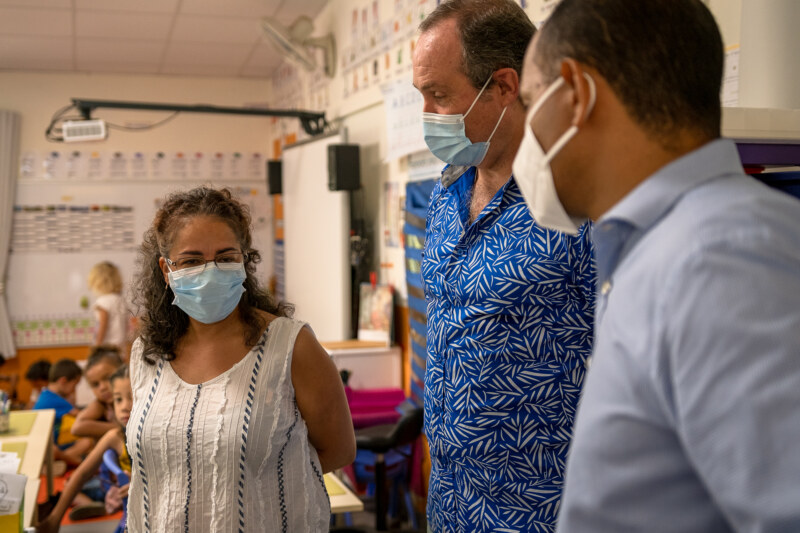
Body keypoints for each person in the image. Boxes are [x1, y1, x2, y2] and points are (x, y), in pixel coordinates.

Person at [513, 1, 800, 531]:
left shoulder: (717, 261)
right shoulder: (656, 248)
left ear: (576, 93)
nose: (524, 140)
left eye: (531, 102)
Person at [412, 1, 595, 531]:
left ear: (504, 86)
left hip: (540, 509)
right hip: (450, 502)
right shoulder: (448, 190)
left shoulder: (574, 201)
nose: (428, 113)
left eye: (440, 95)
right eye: (421, 96)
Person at [127, 186, 355, 532]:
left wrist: (252, 486)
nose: (210, 272)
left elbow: (337, 450)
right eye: (191, 261)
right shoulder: (147, 353)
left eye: (225, 257)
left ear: (244, 261)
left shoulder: (292, 347)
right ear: (166, 269)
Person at [37, 364, 132, 533]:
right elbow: (81, 473)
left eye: (132, 397)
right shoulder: (115, 436)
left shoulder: (157, 437)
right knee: (71, 481)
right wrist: (54, 519)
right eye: (118, 399)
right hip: (127, 514)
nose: (124, 406)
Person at [33, 359, 94, 467]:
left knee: (85, 442)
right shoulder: (55, 399)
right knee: (88, 442)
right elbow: (81, 415)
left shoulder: (46, 394)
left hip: (52, 445)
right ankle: (70, 462)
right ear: (63, 381)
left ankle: (61, 462)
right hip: (43, 448)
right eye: (74, 386)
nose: (73, 390)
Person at [71, 345, 123, 438]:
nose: (102, 388)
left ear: (124, 371)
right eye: (95, 384)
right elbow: (77, 427)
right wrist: (122, 429)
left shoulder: (137, 397)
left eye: (108, 378)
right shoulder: (101, 405)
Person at [88, 261, 131, 352]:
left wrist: (96, 347)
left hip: (106, 350)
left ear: (97, 282)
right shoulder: (121, 300)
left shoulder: (103, 302)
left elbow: (102, 326)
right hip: (120, 350)